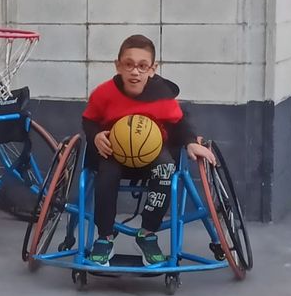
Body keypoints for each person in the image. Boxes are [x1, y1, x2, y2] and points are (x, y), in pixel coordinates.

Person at [81, 35, 215, 267]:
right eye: (129, 64)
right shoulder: (104, 93)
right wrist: (95, 136)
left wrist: (191, 141)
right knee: (105, 176)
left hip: (152, 153)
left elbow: (179, 122)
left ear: (152, 69)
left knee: (166, 169)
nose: (135, 72)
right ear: (118, 65)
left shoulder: (162, 96)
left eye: (142, 66)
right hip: (116, 151)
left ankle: (147, 234)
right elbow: (89, 120)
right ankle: (104, 237)